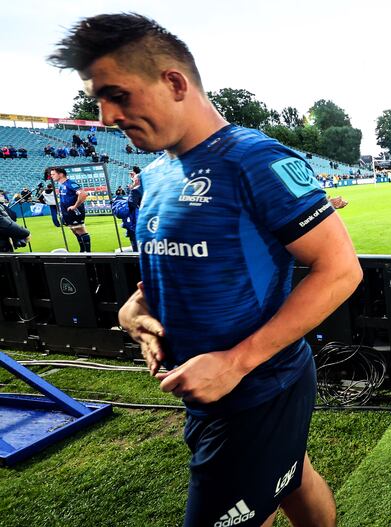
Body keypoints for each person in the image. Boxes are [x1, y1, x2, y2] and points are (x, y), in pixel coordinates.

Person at [50, 13, 361, 527]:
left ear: (174, 82)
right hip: (209, 393)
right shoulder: (153, 177)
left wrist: (237, 363)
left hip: (260, 389)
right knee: (293, 477)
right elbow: (171, 271)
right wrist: (138, 308)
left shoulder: (253, 160)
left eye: (117, 95)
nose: (106, 117)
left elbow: (340, 270)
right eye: (97, 100)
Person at [49, 167, 91, 252]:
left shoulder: (70, 183)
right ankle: (82, 250)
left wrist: (75, 206)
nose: (51, 176)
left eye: (53, 174)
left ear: (61, 174)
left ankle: (88, 253)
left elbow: (83, 194)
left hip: (75, 212)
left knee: (80, 230)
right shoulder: (61, 185)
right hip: (67, 213)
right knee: (74, 230)